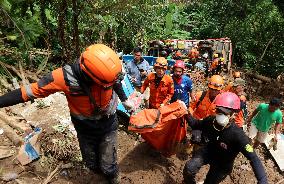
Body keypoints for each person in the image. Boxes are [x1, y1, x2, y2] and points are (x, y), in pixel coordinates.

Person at [0, 44, 135, 184]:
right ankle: (96, 174)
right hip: (84, 127)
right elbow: (27, 92)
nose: (112, 85)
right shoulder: (63, 77)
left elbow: (115, 81)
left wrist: (124, 99)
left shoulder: (108, 75)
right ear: (90, 77)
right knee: (90, 161)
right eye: (106, 84)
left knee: (108, 164)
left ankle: (112, 177)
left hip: (108, 122)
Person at [183, 92, 268, 184]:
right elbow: (196, 124)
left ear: (234, 114)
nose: (221, 115)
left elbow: (253, 158)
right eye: (219, 111)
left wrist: (262, 180)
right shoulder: (210, 121)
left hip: (222, 165)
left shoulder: (238, 135)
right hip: (207, 152)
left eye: (225, 113)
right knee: (189, 168)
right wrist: (185, 113)